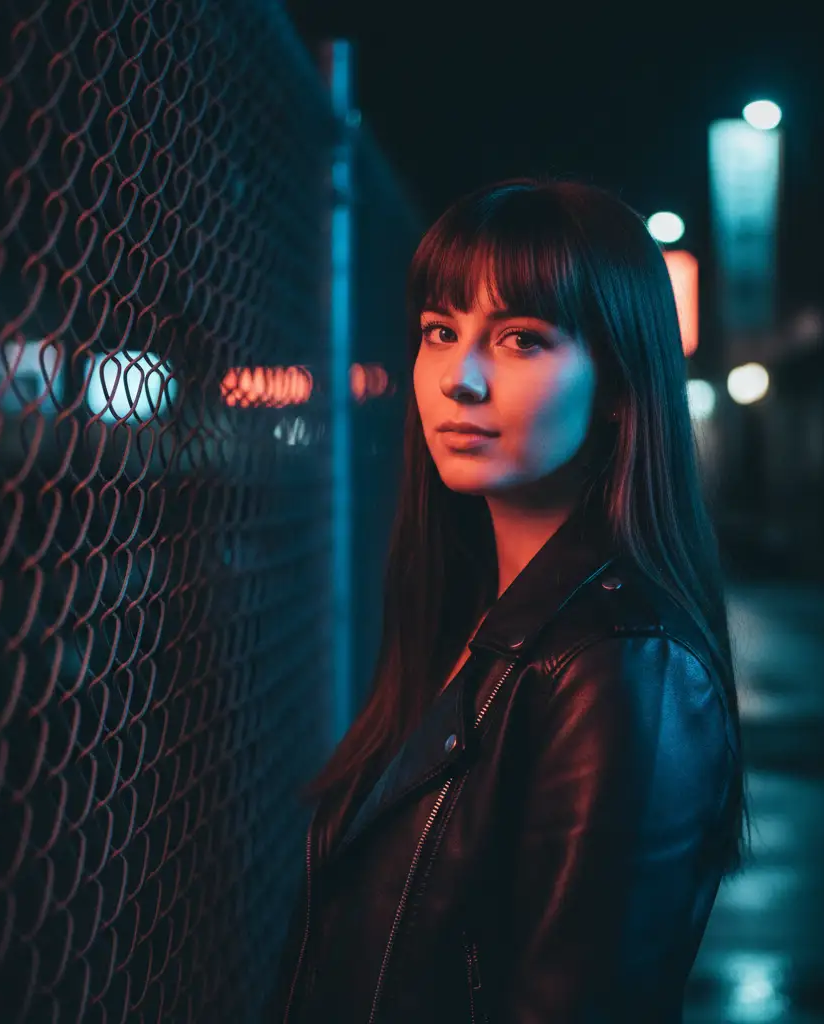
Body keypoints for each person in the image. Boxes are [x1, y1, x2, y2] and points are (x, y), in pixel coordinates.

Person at [263, 178, 746, 1023]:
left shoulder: (624, 664)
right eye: (440, 332)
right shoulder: (472, 615)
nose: (461, 379)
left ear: (621, 388)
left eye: (522, 339)